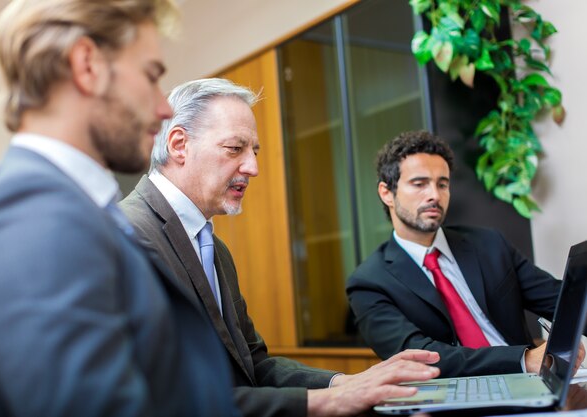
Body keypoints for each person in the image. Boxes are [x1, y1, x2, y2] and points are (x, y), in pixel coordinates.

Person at [0, 2, 239, 416]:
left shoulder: (77, 211)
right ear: (87, 64)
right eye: (150, 76)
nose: (164, 109)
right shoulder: (30, 217)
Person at [120, 78, 441, 417]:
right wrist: (329, 402)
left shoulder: (215, 249)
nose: (253, 168)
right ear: (179, 144)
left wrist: (346, 383)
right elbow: (165, 394)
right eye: (234, 149)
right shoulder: (126, 236)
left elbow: (254, 365)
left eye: (254, 151)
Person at [346, 130, 584, 378]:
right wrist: (525, 359)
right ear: (386, 193)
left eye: (442, 184)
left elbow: (562, 301)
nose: (434, 195)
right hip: (453, 395)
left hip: (532, 383)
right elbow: (418, 356)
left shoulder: (489, 244)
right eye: (419, 184)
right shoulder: (368, 283)